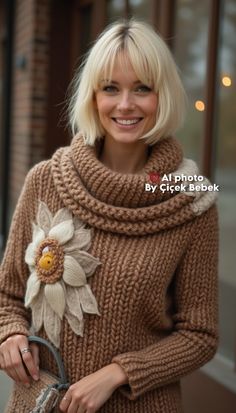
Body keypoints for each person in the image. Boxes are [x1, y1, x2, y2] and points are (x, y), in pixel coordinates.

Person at [0, 19, 219, 413]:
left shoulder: (191, 201)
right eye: (111, 89)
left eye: (142, 88)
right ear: (93, 96)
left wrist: (119, 373)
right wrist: (10, 335)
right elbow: (8, 294)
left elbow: (200, 335)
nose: (125, 105)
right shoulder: (46, 180)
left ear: (162, 95)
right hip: (38, 404)